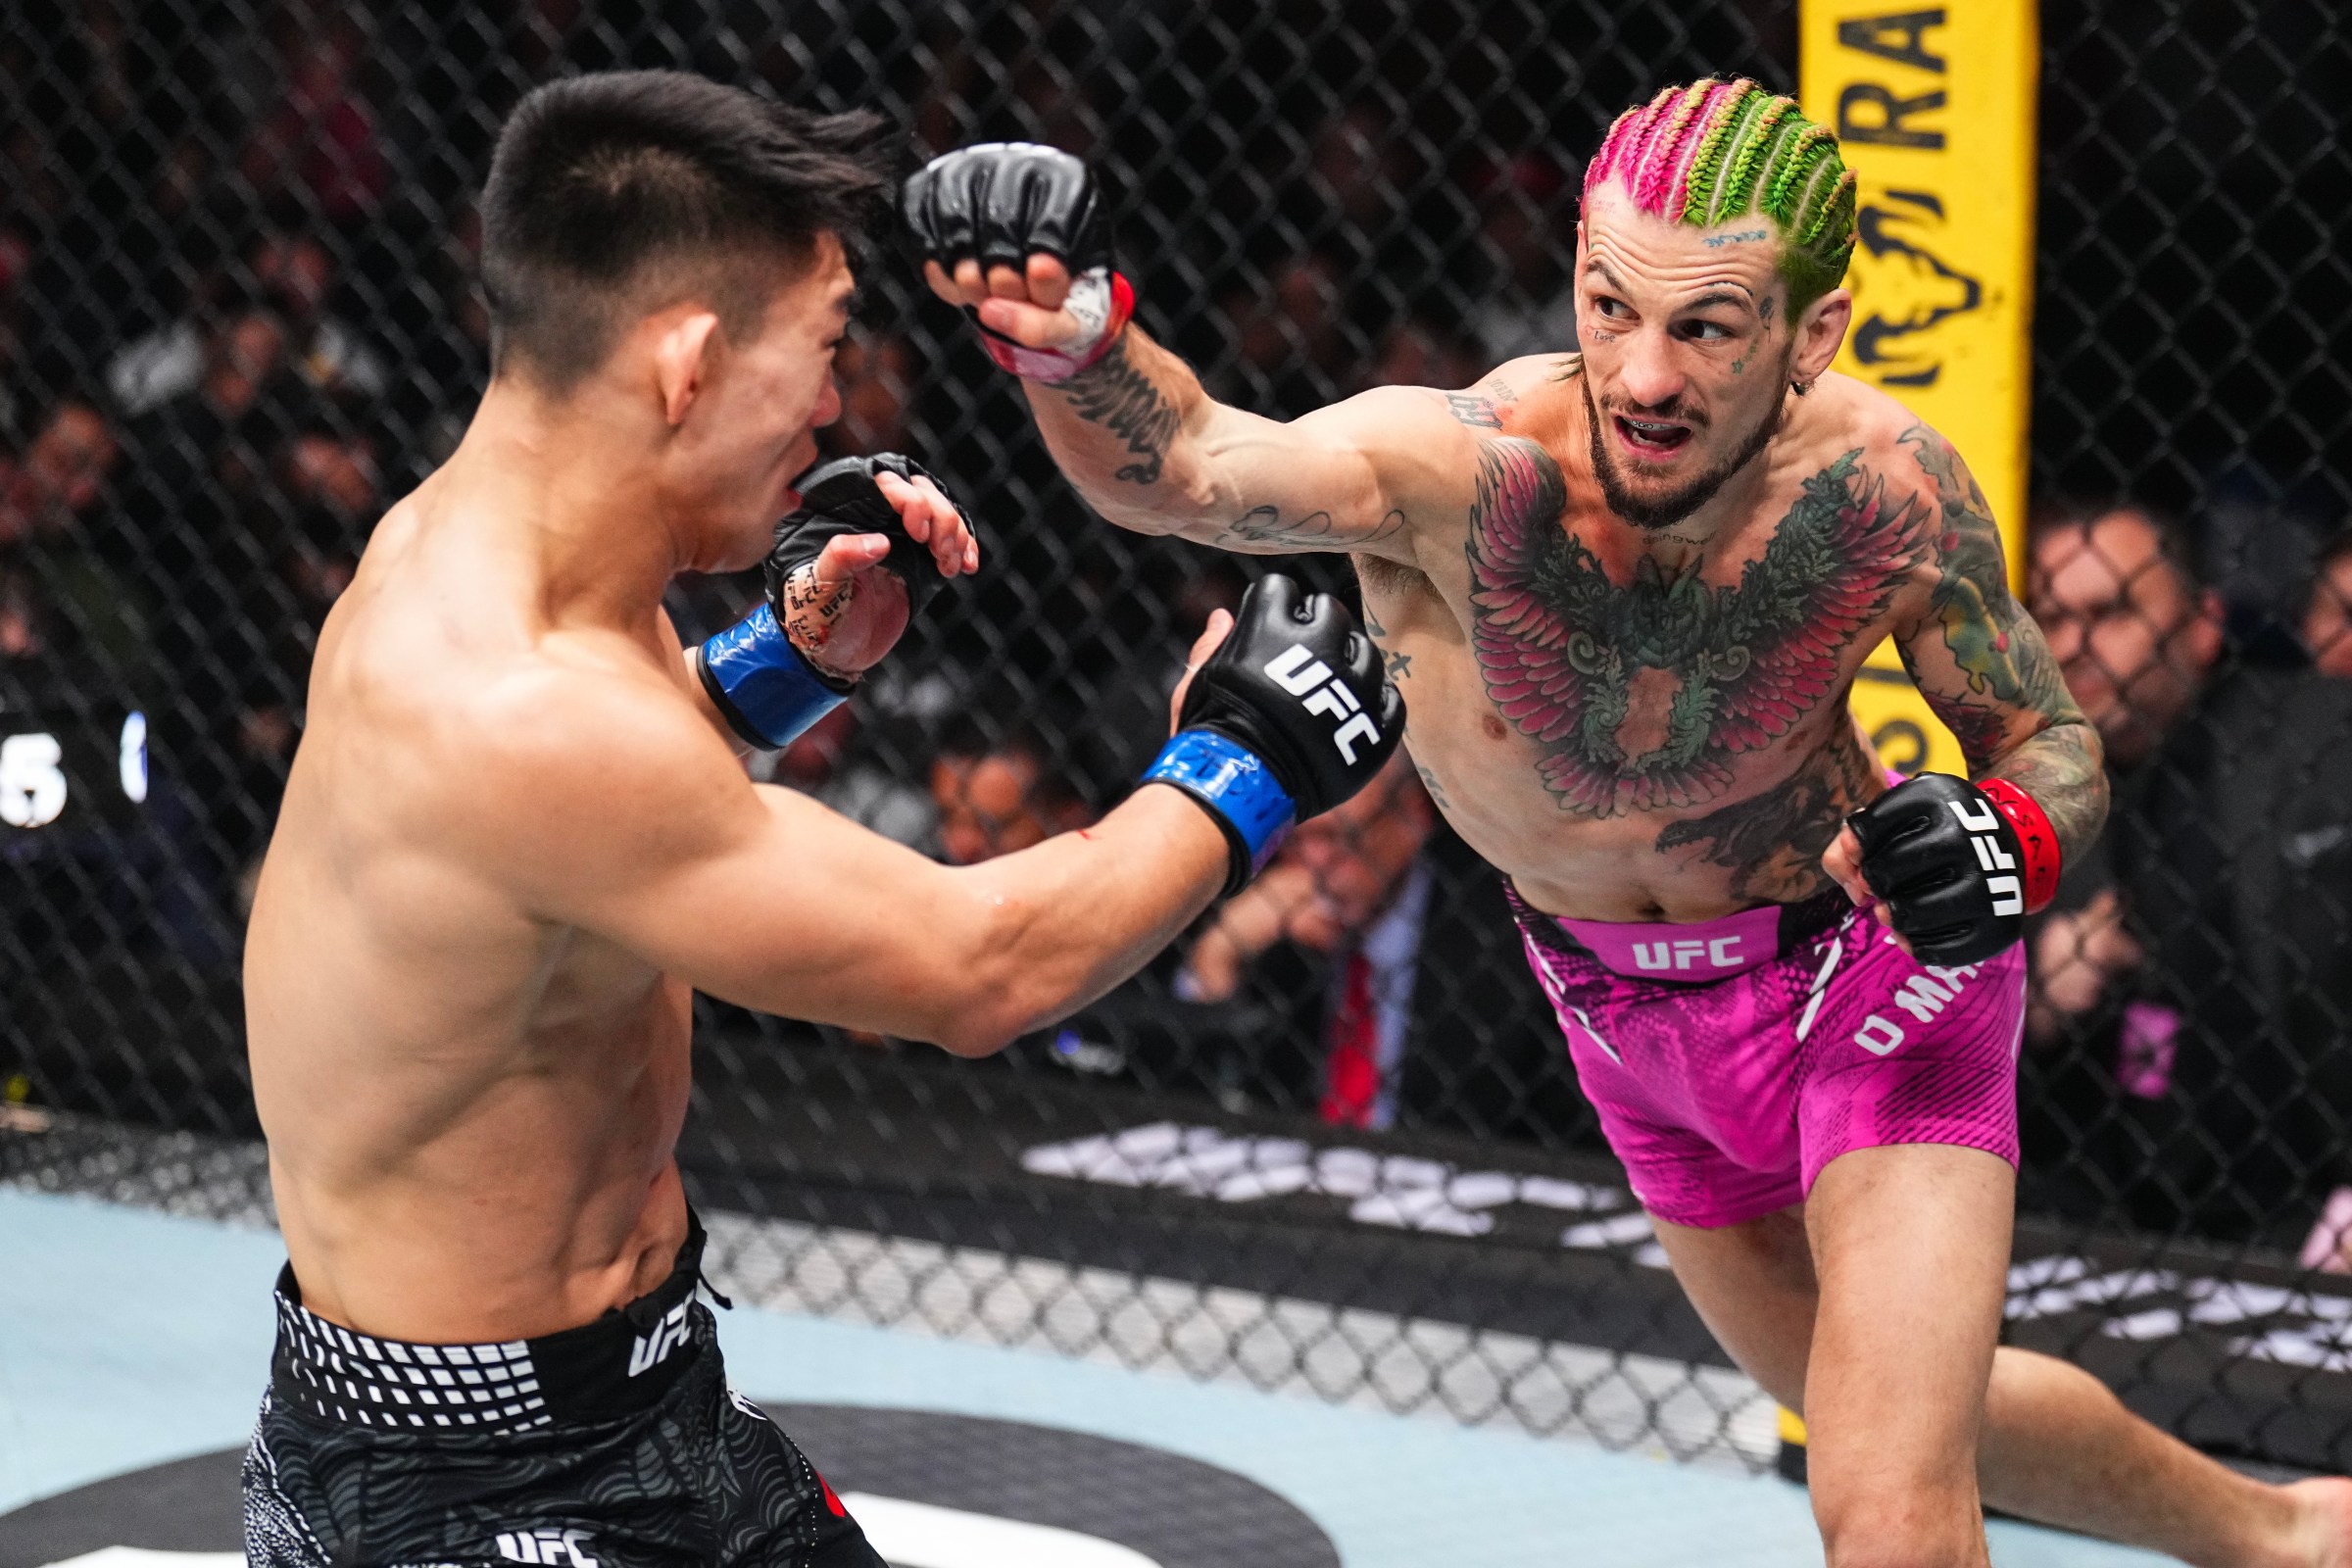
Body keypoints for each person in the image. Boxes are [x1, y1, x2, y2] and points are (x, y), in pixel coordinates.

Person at [905, 77, 2352, 1568]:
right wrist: (1075, 335)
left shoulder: (1885, 488)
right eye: (1611, 308)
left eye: (1708, 328)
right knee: (1857, 1399)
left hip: (1870, 973)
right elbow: (1196, 466)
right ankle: (2280, 1530)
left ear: (1814, 336)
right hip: (1616, 1008)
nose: (1642, 375)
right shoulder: (1458, 471)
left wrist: (2008, 841)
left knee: (1882, 1502)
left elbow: (2043, 737)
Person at [239, 71, 1398, 1568]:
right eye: (827, 348)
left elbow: (572, 853)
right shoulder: (521, 705)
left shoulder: (482, 554)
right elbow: (988, 972)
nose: (841, 407)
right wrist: (1253, 749)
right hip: (462, 1499)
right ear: (689, 364)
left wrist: (781, 669)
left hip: (640, 1406)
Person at [2026, 503, 2352, 1243]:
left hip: (2305, 1210)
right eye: (2050, 616)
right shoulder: (2005, 792)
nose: (2075, 646)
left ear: (2203, 626)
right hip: (2094, 1220)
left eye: (2111, 612)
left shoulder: (2322, 742)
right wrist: (2034, 999)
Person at [1179, 754, 1582, 1141]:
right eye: (1295, 839)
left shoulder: (1512, 941)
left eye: (1341, 838)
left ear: (1412, 817)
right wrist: (1217, 957)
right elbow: (1193, 1090)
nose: (1314, 862)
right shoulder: (1270, 922)